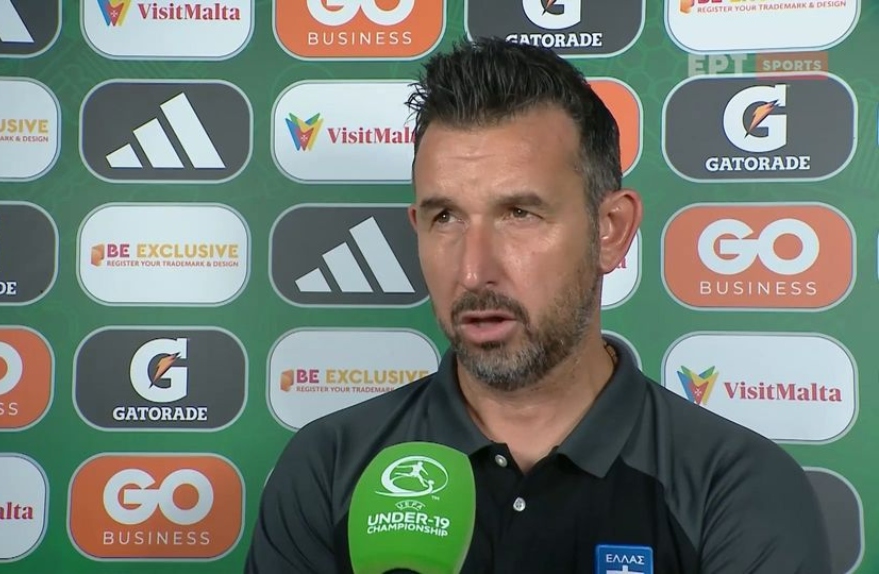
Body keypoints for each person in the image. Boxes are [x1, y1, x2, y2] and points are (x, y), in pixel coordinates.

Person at [245, 37, 831, 573]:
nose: (473, 270)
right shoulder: (328, 467)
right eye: (445, 217)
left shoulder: (739, 487)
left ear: (611, 229)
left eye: (519, 214)